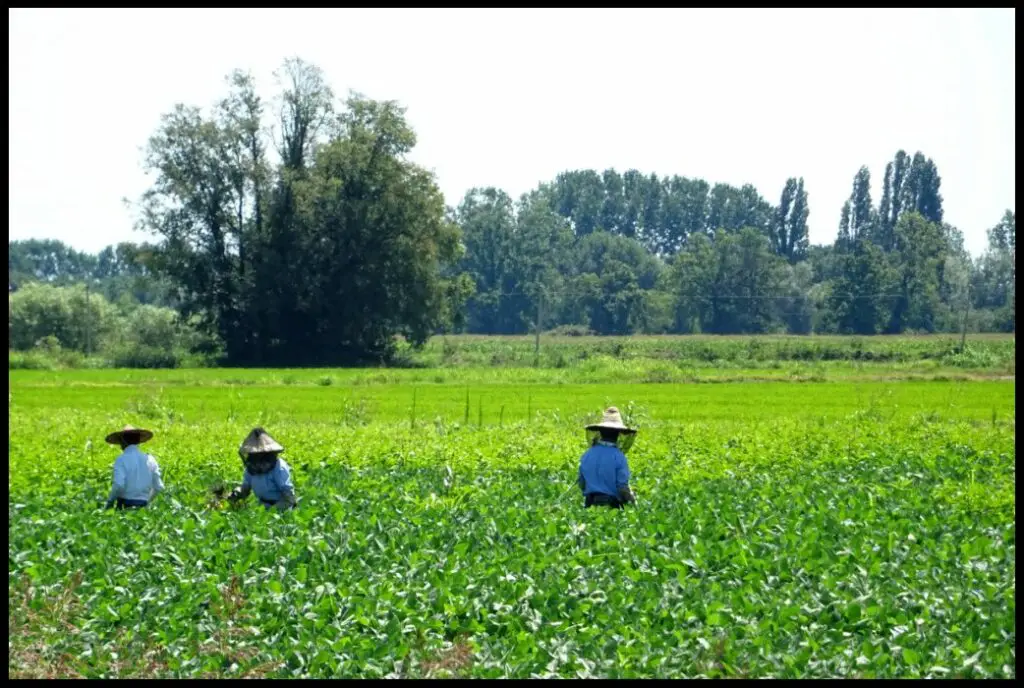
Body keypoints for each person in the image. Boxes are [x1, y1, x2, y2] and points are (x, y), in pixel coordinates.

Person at [578, 407, 637, 509]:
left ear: (600, 432)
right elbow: (622, 488)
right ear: (618, 433)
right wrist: (633, 500)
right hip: (611, 506)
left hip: (589, 505)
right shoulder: (619, 457)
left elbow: (582, 483)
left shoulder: (587, 455)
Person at [227, 428, 296, 511]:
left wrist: (273, 511)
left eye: (257, 454)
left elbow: (289, 498)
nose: (254, 457)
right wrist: (236, 493)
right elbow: (246, 487)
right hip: (262, 507)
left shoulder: (279, 467)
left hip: (282, 508)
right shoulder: (251, 468)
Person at [104, 425, 164, 510]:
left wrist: (110, 502)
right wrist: (147, 502)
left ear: (123, 441)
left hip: (124, 505)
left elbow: (119, 485)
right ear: (138, 441)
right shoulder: (150, 459)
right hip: (143, 508)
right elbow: (159, 486)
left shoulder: (121, 459)